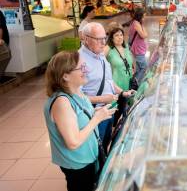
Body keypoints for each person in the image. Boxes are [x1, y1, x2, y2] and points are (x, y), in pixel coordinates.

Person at [44, 51, 116, 191]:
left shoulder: (77, 91)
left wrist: (98, 112)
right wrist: (97, 119)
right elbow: (73, 142)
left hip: (89, 158)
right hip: (78, 164)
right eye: (81, 68)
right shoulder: (61, 102)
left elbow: (79, 115)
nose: (87, 70)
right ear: (65, 75)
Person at [79, 22, 134, 149]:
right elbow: (76, 98)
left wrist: (122, 92)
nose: (103, 42)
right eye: (98, 39)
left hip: (109, 110)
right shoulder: (79, 61)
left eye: (104, 38)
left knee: (106, 142)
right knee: (96, 149)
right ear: (86, 39)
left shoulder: (100, 55)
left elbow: (108, 80)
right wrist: (103, 99)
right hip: (94, 114)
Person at [104, 25, 135, 91]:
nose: (120, 37)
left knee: (128, 99)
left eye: (121, 35)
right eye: (116, 35)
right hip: (116, 83)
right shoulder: (109, 49)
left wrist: (132, 67)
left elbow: (130, 60)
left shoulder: (126, 46)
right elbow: (99, 59)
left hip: (128, 80)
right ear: (112, 38)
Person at [128, 7, 148, 83]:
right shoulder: (136, 24)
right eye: (143, 16)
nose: (144, 18)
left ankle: (137, 82)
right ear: (140, 16)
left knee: (140, 67)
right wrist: (145, 33)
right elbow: (144, 35)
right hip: (138, 49)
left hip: (138, 48)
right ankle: (135, 81)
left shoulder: (136, 22)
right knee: (144, 67)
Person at [0, 10, 11, 80]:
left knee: (6, 55)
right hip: (2, 42)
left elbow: (0, 27)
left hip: (2, 42)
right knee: (6, 56)